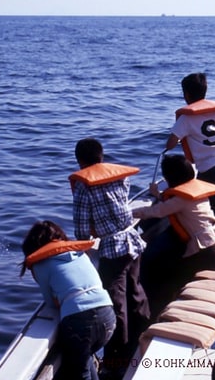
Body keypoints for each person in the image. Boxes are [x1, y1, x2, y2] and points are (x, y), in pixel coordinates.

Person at [70, 138, 150, 376]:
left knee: (117, 303)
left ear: (79, 161)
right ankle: (144, 333)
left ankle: (118, 357)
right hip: (132, 240)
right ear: (101, 157)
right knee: (135, 291)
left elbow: (82, 231)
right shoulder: (120, 176)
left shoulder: (84, 187)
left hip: (112, 249)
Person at [132, 154, 215, 320]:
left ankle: (157, 319)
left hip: (204, 255)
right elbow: (175, 203)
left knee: (166, 283)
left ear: (170, 178)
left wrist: (127, 213)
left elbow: (155, 211)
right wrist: (160, 195)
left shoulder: (181, 199)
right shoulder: (195, 192)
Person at [20, 220, 116, 380]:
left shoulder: (40, 266)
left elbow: (51, 303)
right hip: (108, 315)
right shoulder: (80, 254)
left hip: (80, 323)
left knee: (80, 373)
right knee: (86, 361)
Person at [165, 72, 215, 216]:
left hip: (210, 169)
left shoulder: (186, 118)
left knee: (210, 208)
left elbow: (170, 144)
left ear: (186, 95)